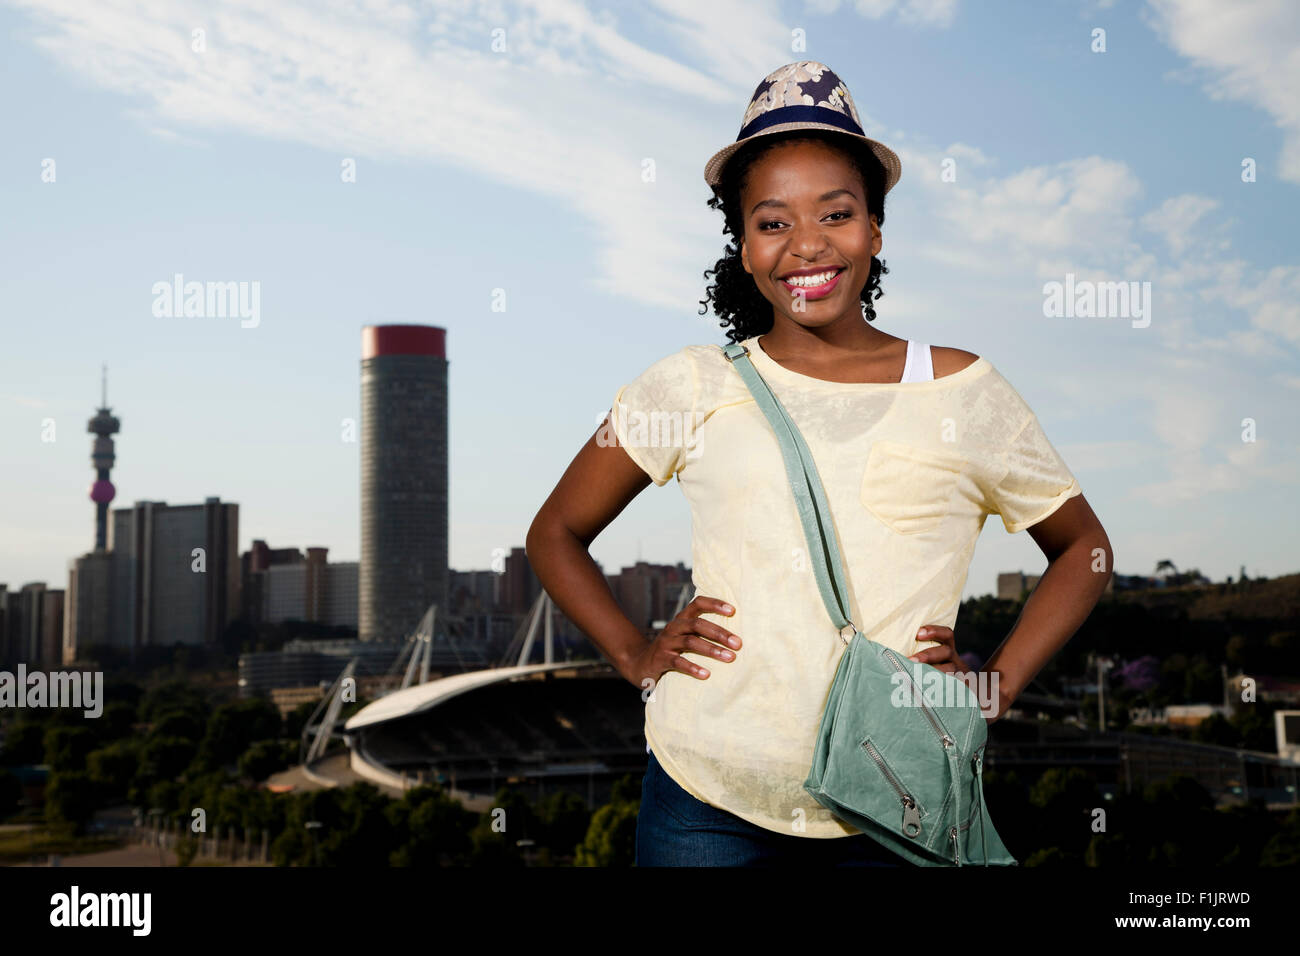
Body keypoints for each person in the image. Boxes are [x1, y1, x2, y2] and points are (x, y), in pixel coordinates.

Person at [525, 61, 1113, 867]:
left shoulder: (963, 390)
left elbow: (1086, 550)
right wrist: (636, 654)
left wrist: (996, 683)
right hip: (706, 802)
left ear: (875, 227)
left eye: (835, 214)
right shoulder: (690, 385)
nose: (807, 245)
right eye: (773, 223)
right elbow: (555, 532)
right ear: (742, 246)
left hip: (896, 806)